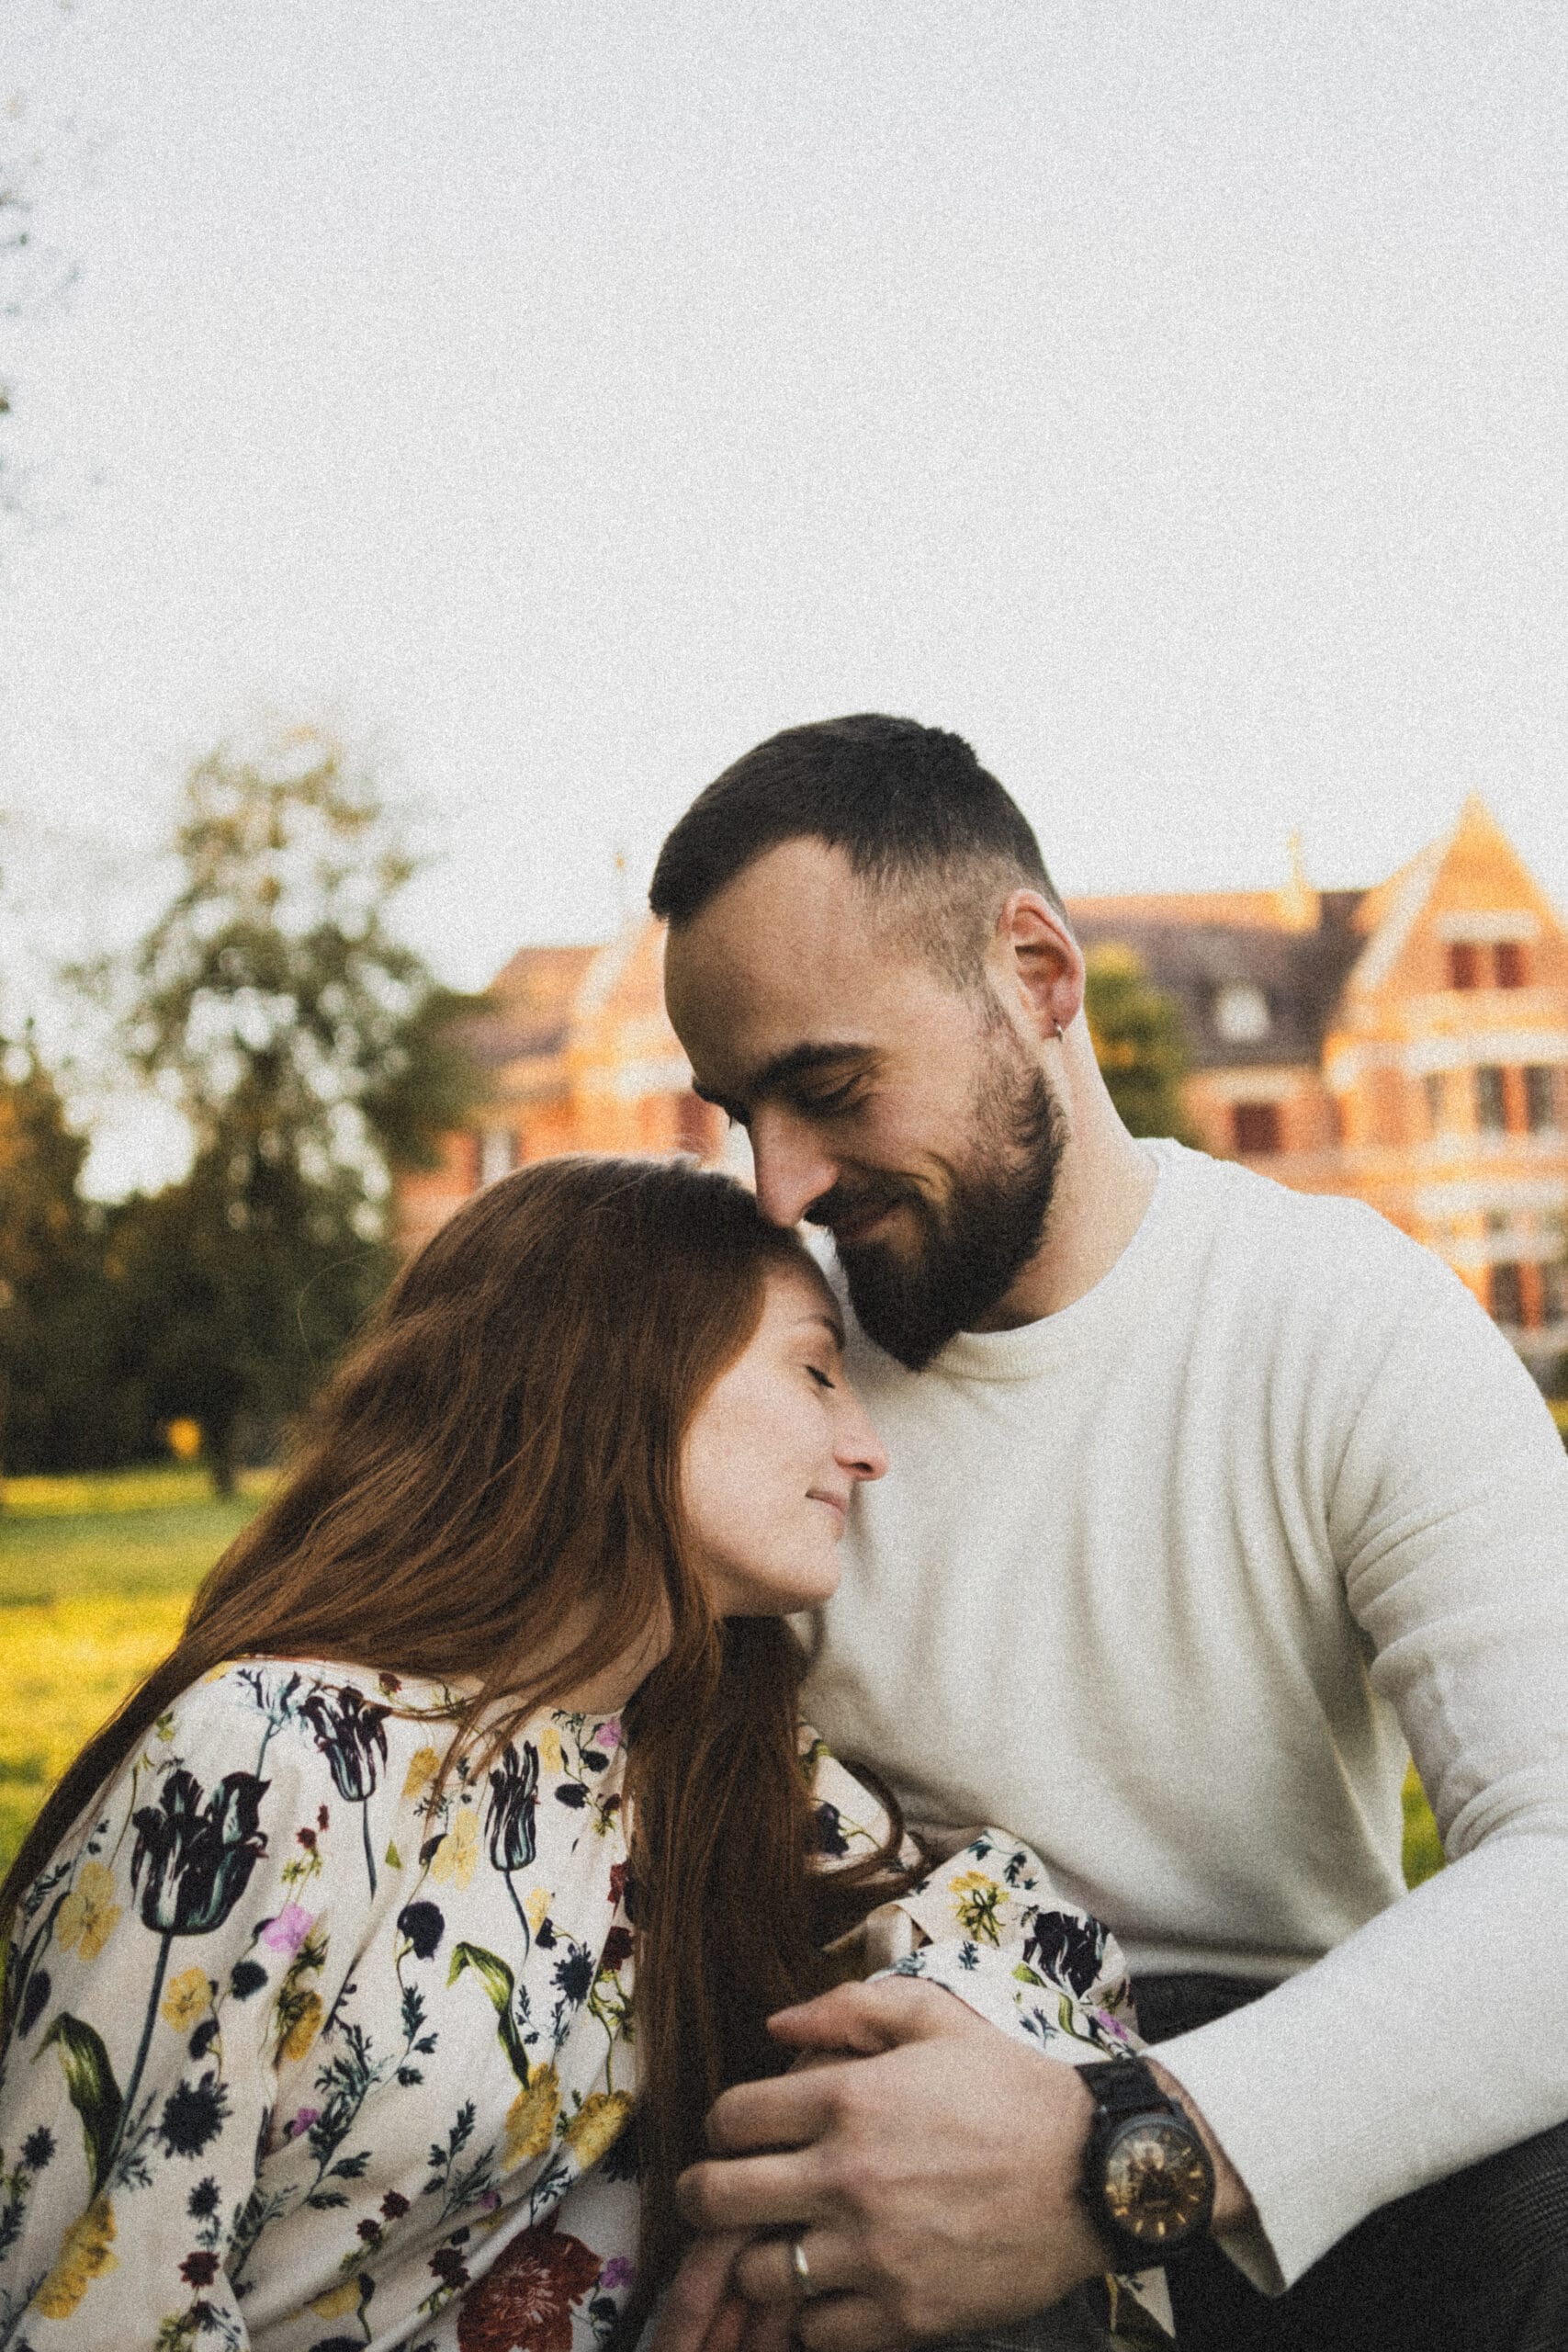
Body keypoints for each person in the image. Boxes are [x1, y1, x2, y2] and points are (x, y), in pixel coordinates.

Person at [648, 715, 1568, 2352]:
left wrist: (1116, 2153)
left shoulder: (1347, 1321)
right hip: (884, 2165)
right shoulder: (757, 1385)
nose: (778, 1186)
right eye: (740, 1113)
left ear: (1039, 976)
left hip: (1293, 2146)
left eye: (829, 1087)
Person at [0, 1153, 1157, 2352]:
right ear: (625, 1372)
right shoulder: (262, 1764)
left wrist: (777, 2232)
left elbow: (1041, 1954)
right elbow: (96, 2300)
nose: (866, 1448)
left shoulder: (701, 1768)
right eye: (816, 1372)